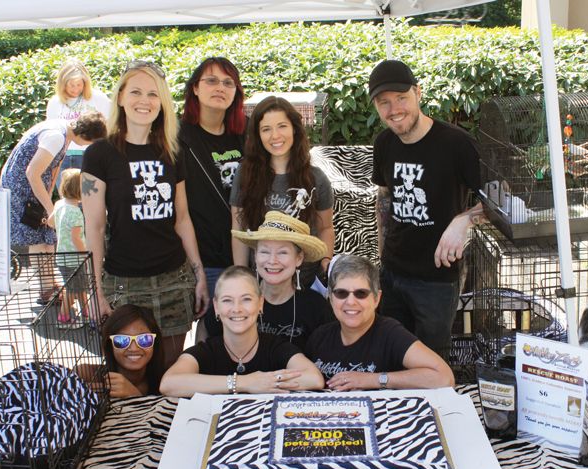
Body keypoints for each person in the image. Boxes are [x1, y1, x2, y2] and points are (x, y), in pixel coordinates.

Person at [82, 60, 208, 369]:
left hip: (174, 281)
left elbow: (182, 220)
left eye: (154, 94)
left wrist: (200, 274)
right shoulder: (99, 154)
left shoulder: (172, 151)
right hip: (123, 286)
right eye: (136, 91)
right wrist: (94, 289)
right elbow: (94, 227)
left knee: (171, 376)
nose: (145, 101)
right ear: (121, 97)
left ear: (162, 103)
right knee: (128, 378)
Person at [369, 59, 485, 360]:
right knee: (392, 357)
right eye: (384, 103)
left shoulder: (457, 144)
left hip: (437, 281)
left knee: (433, 364)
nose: (394, 109)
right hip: (392, 274)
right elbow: (385, 197)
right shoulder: (384, 143)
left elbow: (502, 197)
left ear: (418, 94)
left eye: (401, 98)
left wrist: (464, 220)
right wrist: (382, 256)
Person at [159, 266, 324, 398]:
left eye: (246, 299)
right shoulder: (207, 351)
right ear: (216, 307)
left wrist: (265, 382)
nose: (236, 309)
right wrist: (245, 383)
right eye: (227, 300)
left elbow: (313, 378)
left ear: (260, 304)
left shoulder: (276, 347)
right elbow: (169, 384)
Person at [0, 112, 106, 303]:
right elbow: (32, 173)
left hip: (35, 187)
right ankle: (46, 289)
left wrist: (52, 197)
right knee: (38, 238)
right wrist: (51, 210)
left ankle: (51, 282)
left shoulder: (64, 131)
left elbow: (53, 167)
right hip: (21, 188)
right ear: (86, 136)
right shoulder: (56, 136)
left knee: (48, 237)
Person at [306, 254, 454, 391]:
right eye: (341, 293)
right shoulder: (320, 336)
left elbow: (444, 377)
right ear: (331, 298)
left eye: (361, 294)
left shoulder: (390, 333)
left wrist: (374, 379)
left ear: (376, 298)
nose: (350, 301)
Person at [230, 96, 335, 287]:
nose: (275, 135)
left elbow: (326, 228)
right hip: (262, 281)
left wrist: (326, 261)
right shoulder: (244, 174)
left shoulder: (316, 178)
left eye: (282, 126)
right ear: (257, 135)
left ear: (294, 128)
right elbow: (238, 229)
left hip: (306, 283)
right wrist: (241, 276)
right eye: (266, 129)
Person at [203, 211, 334, 351]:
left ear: (299, 258)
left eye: (282, 252)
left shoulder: (316, 308)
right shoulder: (233, 302)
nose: (272, 261)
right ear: (255, 256)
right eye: (265, 252)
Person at [178, 57, 247, 297]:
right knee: (209, 328)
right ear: (195, 88)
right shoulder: (177, 137)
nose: (220, 87)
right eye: (211, 80)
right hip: (201, 258)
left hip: (246, 254)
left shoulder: (247, 133)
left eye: (228, 83)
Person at [79, 304, 163, 397]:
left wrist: (134, 396)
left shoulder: (166, 382)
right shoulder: (88, 375)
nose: (134, 348)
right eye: (122, 340)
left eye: (144, 339)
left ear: (155, 342)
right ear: (110, 344)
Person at [46, 59, 111, 175]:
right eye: (71, 85)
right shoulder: (55, 102)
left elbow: (110, 125)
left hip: (89, 155)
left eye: (79, 84)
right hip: (63, 158)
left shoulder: (98, 98)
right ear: (63, 83)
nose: (75, 89)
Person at [48, 168, 88, 328]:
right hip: (75, 258)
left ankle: (87, 312)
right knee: (72, 290)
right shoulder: (76, 213)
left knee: (79, 286)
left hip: (62, 256)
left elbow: (50, 223)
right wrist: (85, 254)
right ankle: (63, 318)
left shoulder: (59, 204)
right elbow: (76, 237)